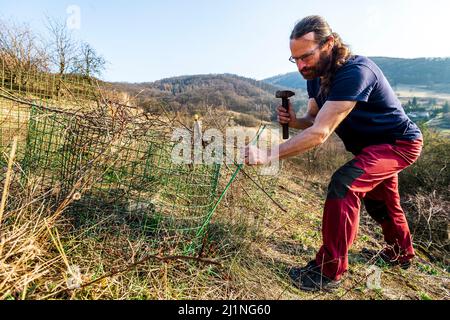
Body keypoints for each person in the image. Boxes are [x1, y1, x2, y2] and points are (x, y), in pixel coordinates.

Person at [243, 15, 423, 292]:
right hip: (368, 149)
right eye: (296, 60)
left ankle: (328, 272)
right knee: (382, 203)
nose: (301, 65)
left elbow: (320, 134)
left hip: (399, 143)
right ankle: (401, 255)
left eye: (306, 56)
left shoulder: (356, 72)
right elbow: (313, 120)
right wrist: (293, 121)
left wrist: (267, 155)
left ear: (329, 43)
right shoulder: (315, 77)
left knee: (345, 183)